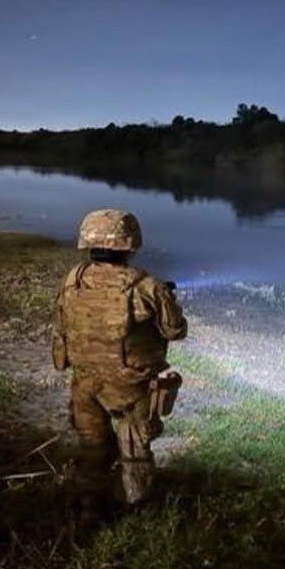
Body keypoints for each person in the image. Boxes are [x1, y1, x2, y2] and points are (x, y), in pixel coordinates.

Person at [52, 209, 187, 519]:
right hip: (130, 387)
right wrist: (168, 301)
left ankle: (89, 509)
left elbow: (62, 326)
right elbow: (175, 331)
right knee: (135, 452)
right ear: (130, 244)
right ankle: (137, 511)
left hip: (84, 384)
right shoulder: (146, 286)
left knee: (92, 448)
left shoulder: (74, 280)